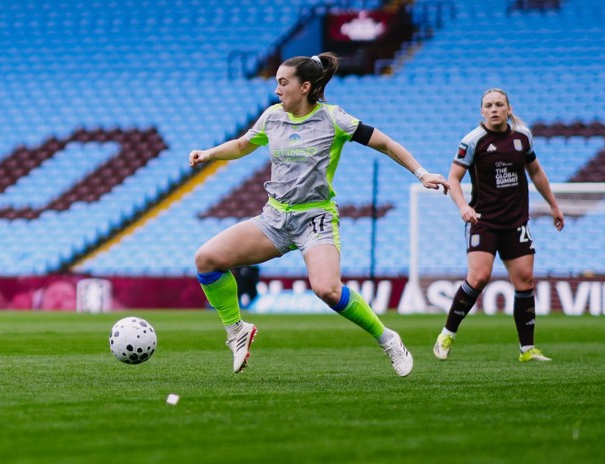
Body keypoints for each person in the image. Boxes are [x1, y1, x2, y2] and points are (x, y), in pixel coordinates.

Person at [190, 53, 447, 376]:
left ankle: (388, 339)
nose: (277, 90)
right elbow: (242, 146)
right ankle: (236, 331)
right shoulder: (272, 117)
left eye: (283, 83)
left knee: (327, 289)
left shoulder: (333, 119)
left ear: (305, 87)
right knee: (206, 259)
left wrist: (422, 173)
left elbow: (384, 143)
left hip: (316, 220)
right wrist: (208, 154)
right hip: (275, 219)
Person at [434, 88, 564, 363]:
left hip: (516, 221)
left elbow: (536, 171)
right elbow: (453, 178)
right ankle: (447, 333)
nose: (494, 109)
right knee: (479, 277)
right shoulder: (472, 141)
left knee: (525, 280)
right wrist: (463, 207)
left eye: (499, 105)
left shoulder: (522, 136)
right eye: (489, 105)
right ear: (482, 111)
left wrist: (553, 204)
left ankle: (527, 350)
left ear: (508, 109)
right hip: (483, 220)